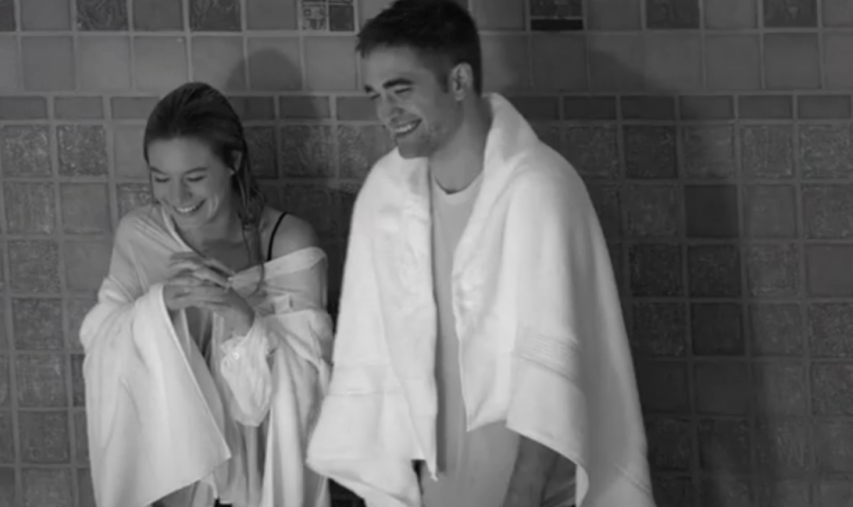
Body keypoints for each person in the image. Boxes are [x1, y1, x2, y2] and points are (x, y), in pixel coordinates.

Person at [306, 1, 656, 507]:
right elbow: (376, 356)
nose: (385, 112)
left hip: (534, 492)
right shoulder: (385, 197)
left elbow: (552, 375)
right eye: (376, 95)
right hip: (436, 488)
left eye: (401, 90)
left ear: (458, 81)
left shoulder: (537, 188)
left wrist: (523, 496)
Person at [80, 82, 332, 507]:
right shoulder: (138, 235)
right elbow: (99, 344)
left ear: (234, 162)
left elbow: (310, 382)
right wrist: (161, 306)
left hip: (256, 486)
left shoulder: (286, 243)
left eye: (195, 178)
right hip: (169, 487)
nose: (177, 197)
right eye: (160, 179)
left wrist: (240, 316)